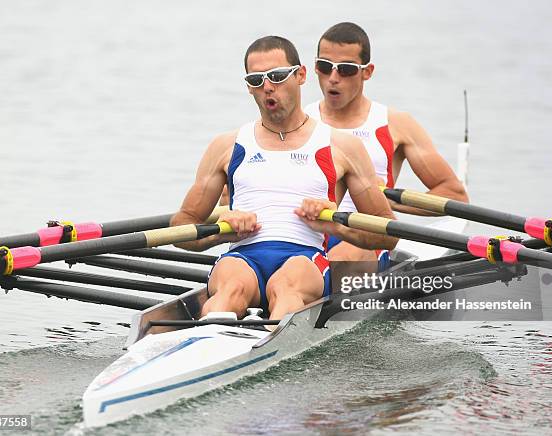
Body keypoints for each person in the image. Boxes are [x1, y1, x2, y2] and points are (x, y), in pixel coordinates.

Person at [171, 36, 397, 321]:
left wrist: (335, 224)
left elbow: (388, 235)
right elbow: (182, 226)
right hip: (242, 256)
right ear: (248, 87)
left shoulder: (340, 146)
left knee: (285, 286)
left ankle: (267, 339)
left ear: (301, 75)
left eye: (277, 76)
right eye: (256, 80)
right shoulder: (226, 146)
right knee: (230, 288)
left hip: (304, 260)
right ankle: (208, 341)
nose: (267, 87)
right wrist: (221, 230)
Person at [305, 22, 469, 262]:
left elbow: (455, 195)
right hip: (310, 232)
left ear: (367, 72)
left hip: (366, 237)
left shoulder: (395, 124)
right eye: (324, 66)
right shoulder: (300, 122)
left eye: (346, 69)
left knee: (343, 256)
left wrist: (386, 199)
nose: (333, 78)